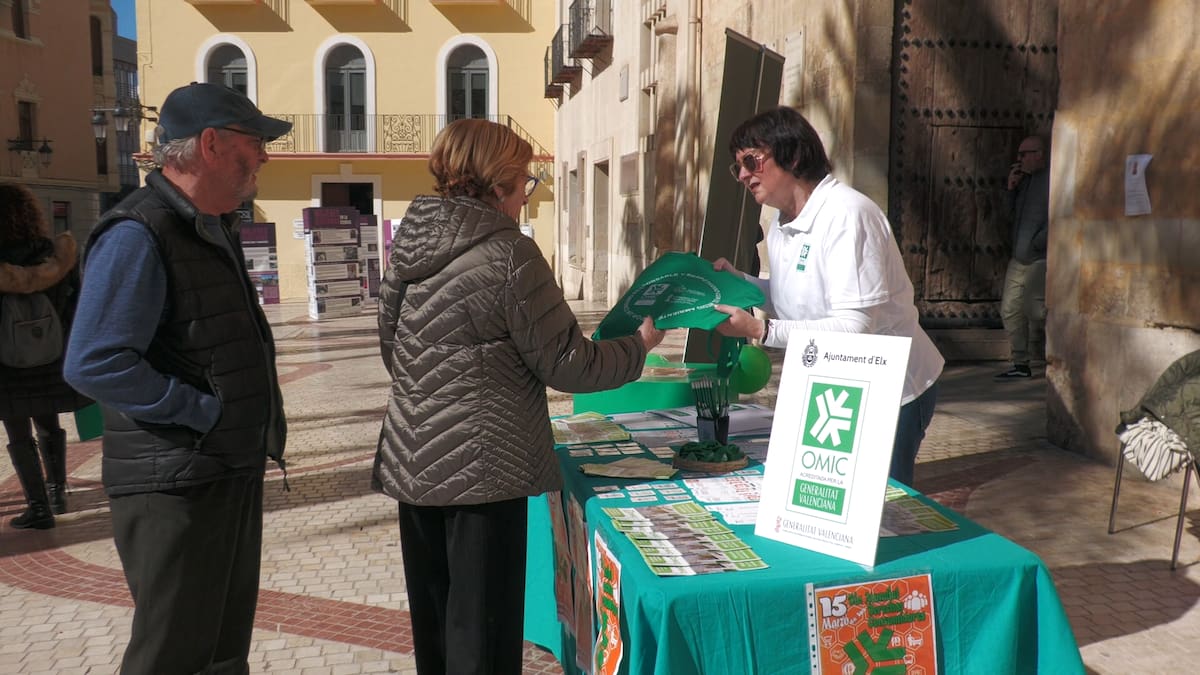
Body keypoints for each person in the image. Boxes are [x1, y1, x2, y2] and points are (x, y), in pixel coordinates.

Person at [374, 118, 665, 674]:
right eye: (524, 182)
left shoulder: (409, 244)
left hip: (414, 468)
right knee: (483, 642)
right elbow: (568, 363)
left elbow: (393, 351)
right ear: (498, 184)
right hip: (486, 473)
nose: (526, 196)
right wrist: (639, 345)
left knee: (437, 634)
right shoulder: (511, 253)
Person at [63, 82, 291, 674]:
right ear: (210, 144)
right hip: (174, 486)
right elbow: (94, 362)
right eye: (255, 143)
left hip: (220, 471)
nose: (264, 157)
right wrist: (200, 412)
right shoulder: (138, 232)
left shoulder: (208, 224)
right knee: (172, 658)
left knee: (219, 655)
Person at [710, 106, 944, 487]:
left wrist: (761, 331)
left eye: (751, 161)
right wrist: (739, 284)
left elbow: (855, 328)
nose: (743, 175)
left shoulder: (847, 215)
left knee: (881, 504)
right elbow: (790, 298)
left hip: (890, 391)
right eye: (737, 167)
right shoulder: (782, 222)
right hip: (834, 387)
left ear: (793, 156)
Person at [0, 183, 89, 529]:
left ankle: (38, 508)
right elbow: (75, 304)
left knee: (17, 431)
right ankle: (57, 492)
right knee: (48, 421)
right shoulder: (55, 256)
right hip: (51, 355)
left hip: (6, 363)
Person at [995, 134, 1050, 380]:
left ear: (1039, 155)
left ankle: (1058, 356)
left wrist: (1039, 242)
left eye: (1024, 154)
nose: (1019, 159)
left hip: (1040, 257)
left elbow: (1058, 218)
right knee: (1010, 309)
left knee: (1035, 309)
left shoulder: (1051, 181)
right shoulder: (1024, 182)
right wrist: (1011, 189)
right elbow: (1008, 217)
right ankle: (1020, 363)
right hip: (1019, 257)